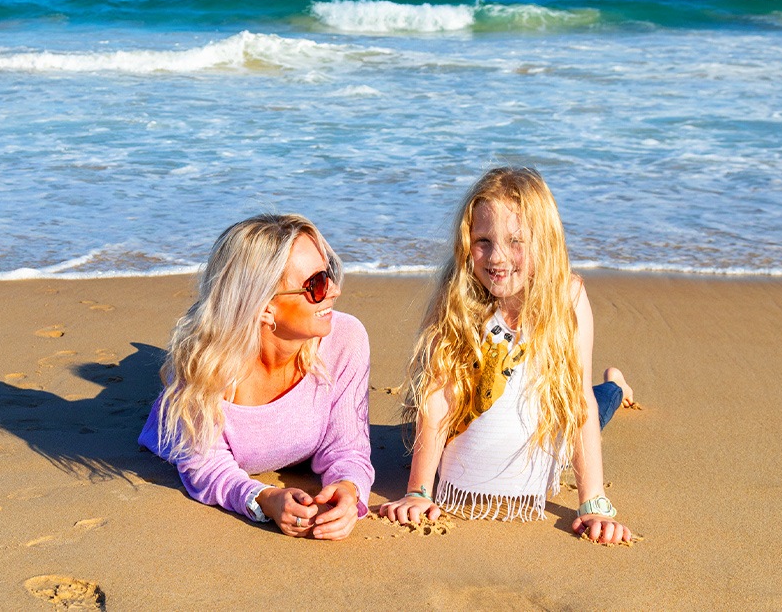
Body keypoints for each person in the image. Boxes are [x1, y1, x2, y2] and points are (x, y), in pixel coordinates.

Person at [379, 167, 634, 544]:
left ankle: (616, 385)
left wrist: (593, 502)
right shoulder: (457, 295)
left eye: (516, 241)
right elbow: (435, 399)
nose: (497, 258)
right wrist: (418, 490)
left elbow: (577, 403)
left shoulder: (568, 297)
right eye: (483, 240)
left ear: (543, 242)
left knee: (599, 401)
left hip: (548, 420)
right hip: (485, 411)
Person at [139, 214, 374, 541]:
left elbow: (348, 448)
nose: (334, 290)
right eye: (317, 284)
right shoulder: (204, 367)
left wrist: (349, 492)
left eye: (330, 272)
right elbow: (207, 467)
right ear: (264, 307)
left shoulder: (345, 339)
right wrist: (263, 498)